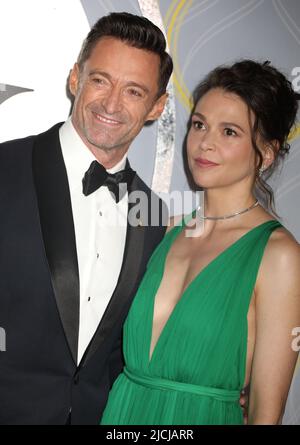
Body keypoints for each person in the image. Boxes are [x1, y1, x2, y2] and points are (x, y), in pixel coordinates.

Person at [101, 60, 300, 425]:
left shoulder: (278, 255)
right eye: (199, 124)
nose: (205, 143)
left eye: (230, 132)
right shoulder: (163, 230)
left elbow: (265, 414)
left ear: (267, 153)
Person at [0, 12, 173, 425]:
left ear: (157, 107)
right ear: (76, 78)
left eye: (134, 91)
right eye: (101, 80)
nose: (112, 104)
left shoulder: (153, 214)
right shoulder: (5, 168)